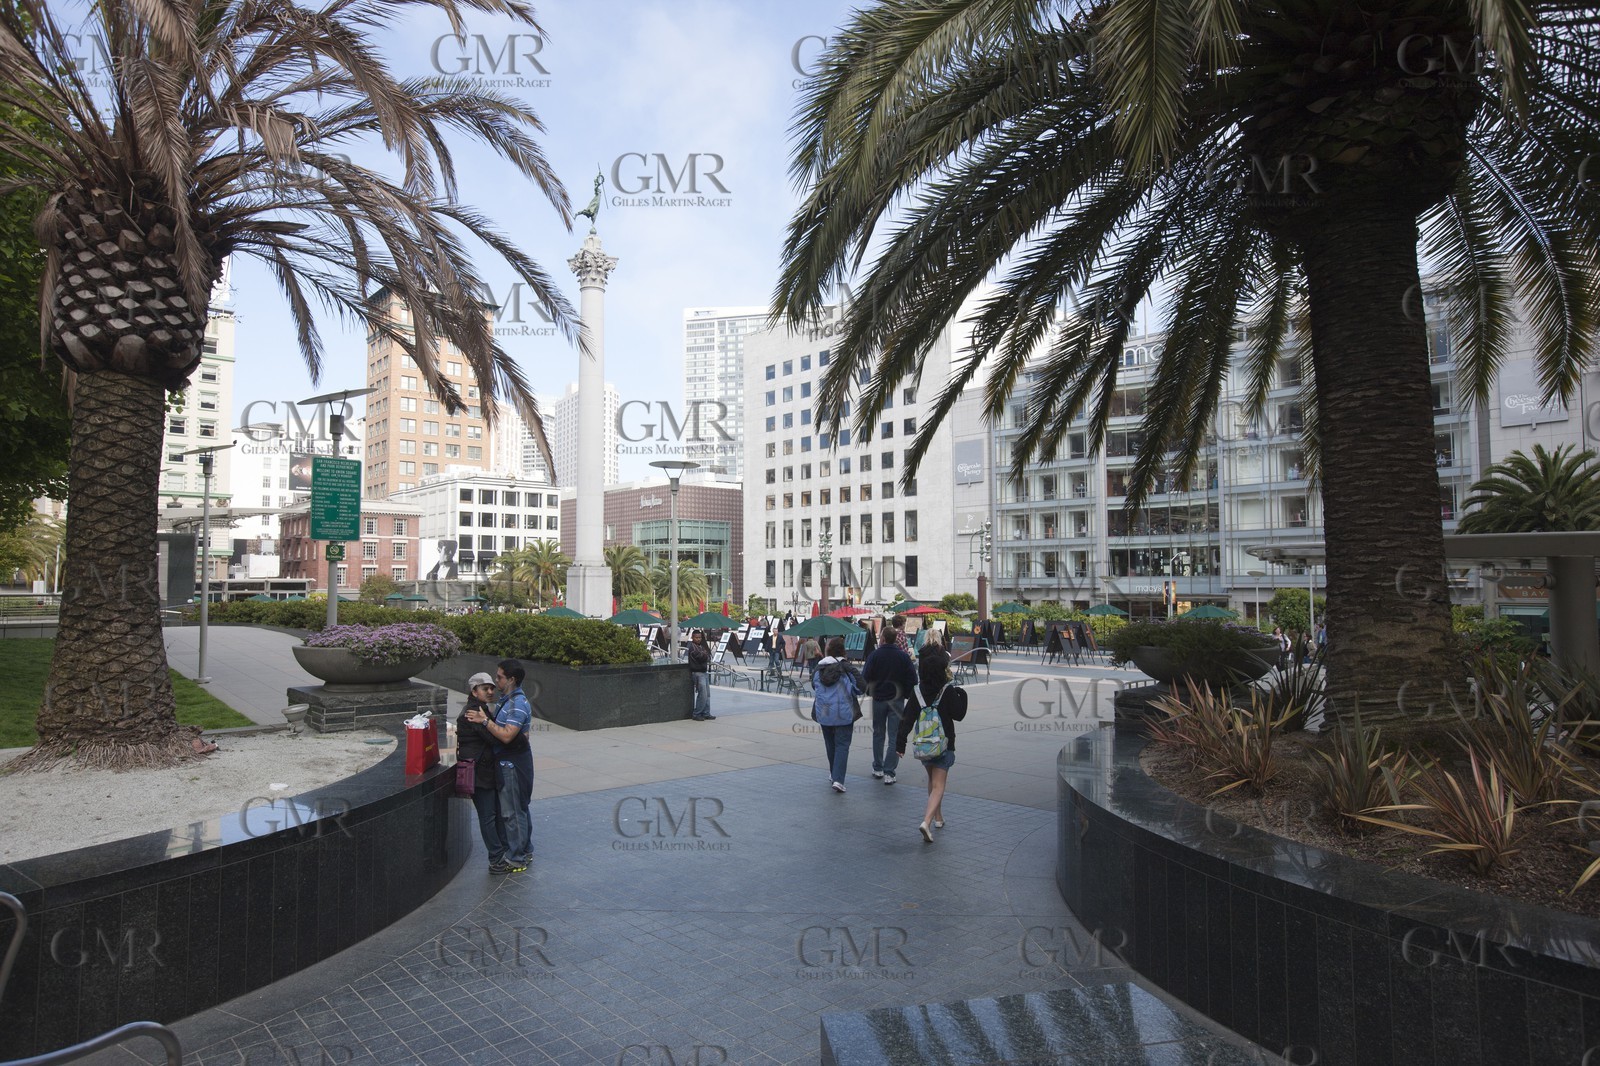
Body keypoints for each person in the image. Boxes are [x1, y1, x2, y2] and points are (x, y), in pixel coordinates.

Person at [465, 659, 534, 873]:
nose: (496, 681)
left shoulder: (516, 704)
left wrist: (484, 721)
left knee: (513, 812)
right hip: (509, 762)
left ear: (511, 679)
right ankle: (525, 850)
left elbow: (507, 736)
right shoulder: (508, 700)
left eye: (500, 677)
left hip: (512, 764)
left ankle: (517, 858)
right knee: (518, 808)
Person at [897, 639, 968, 842]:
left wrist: (900, 743)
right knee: (939, 785)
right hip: (944, 744)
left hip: (924, 745)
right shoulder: (946, 691)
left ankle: (938, 817)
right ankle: (926, 822)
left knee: (932, 780)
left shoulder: (917, 691)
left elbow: (907, 718)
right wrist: (962, 695)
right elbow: (959, 714)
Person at [456, 672, 506, 871]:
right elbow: (494, 739)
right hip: (479, 772)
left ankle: (501, 852)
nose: (491, 691)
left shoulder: (481, 709)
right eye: (485, 688)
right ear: (474, 690)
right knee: (488, 816)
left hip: (486, 770)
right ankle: (496, 859)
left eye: (492, 687)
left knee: (495, 814)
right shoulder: (472, 712)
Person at [862, 625, 917, 785]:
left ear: (883, 639)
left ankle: (878, 767)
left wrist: (869, 691)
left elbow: (865, 676)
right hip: (897, 700)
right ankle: (889, 772)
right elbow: (913, 679)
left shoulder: (875, 655)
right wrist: (905, 694)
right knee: (894, 735)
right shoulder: (903, 656)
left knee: (878, 733)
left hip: (879, 699)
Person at [812, 636, 864, 792]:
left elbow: (815, 687)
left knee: (830, 744)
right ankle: (838, 779)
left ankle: (833, 773)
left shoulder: (818, 668)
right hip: (844, 713)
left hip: (824, 713)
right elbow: (862, 686)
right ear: (843, 651)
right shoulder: (847, 668)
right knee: (842, 745)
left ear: (828, 650)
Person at [686, 630, 715, 721]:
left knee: (707, 694)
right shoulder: (692, 648)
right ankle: (697, 713)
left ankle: (706, 713)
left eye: (700, 637)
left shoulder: (701, 647)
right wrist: (705, 654)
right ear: (692, 637)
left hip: (704, 672)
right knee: (702, 694)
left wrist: (705, 654)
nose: (698, 639)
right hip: (697, 673)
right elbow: (702, 657)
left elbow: (707, 656)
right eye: (696, 637)